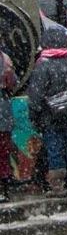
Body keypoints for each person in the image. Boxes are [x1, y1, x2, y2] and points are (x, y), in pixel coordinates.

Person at [28, 28, 67, 192]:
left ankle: (57, 184)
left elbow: (35, 95)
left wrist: (34, 115)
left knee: (54, 149)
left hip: (50, 117)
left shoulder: (43, 64)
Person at [0, 45, 17, 202]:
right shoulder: (5, 58)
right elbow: (13, 82)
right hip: (4, 114)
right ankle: (5, 187)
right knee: (3, 153)